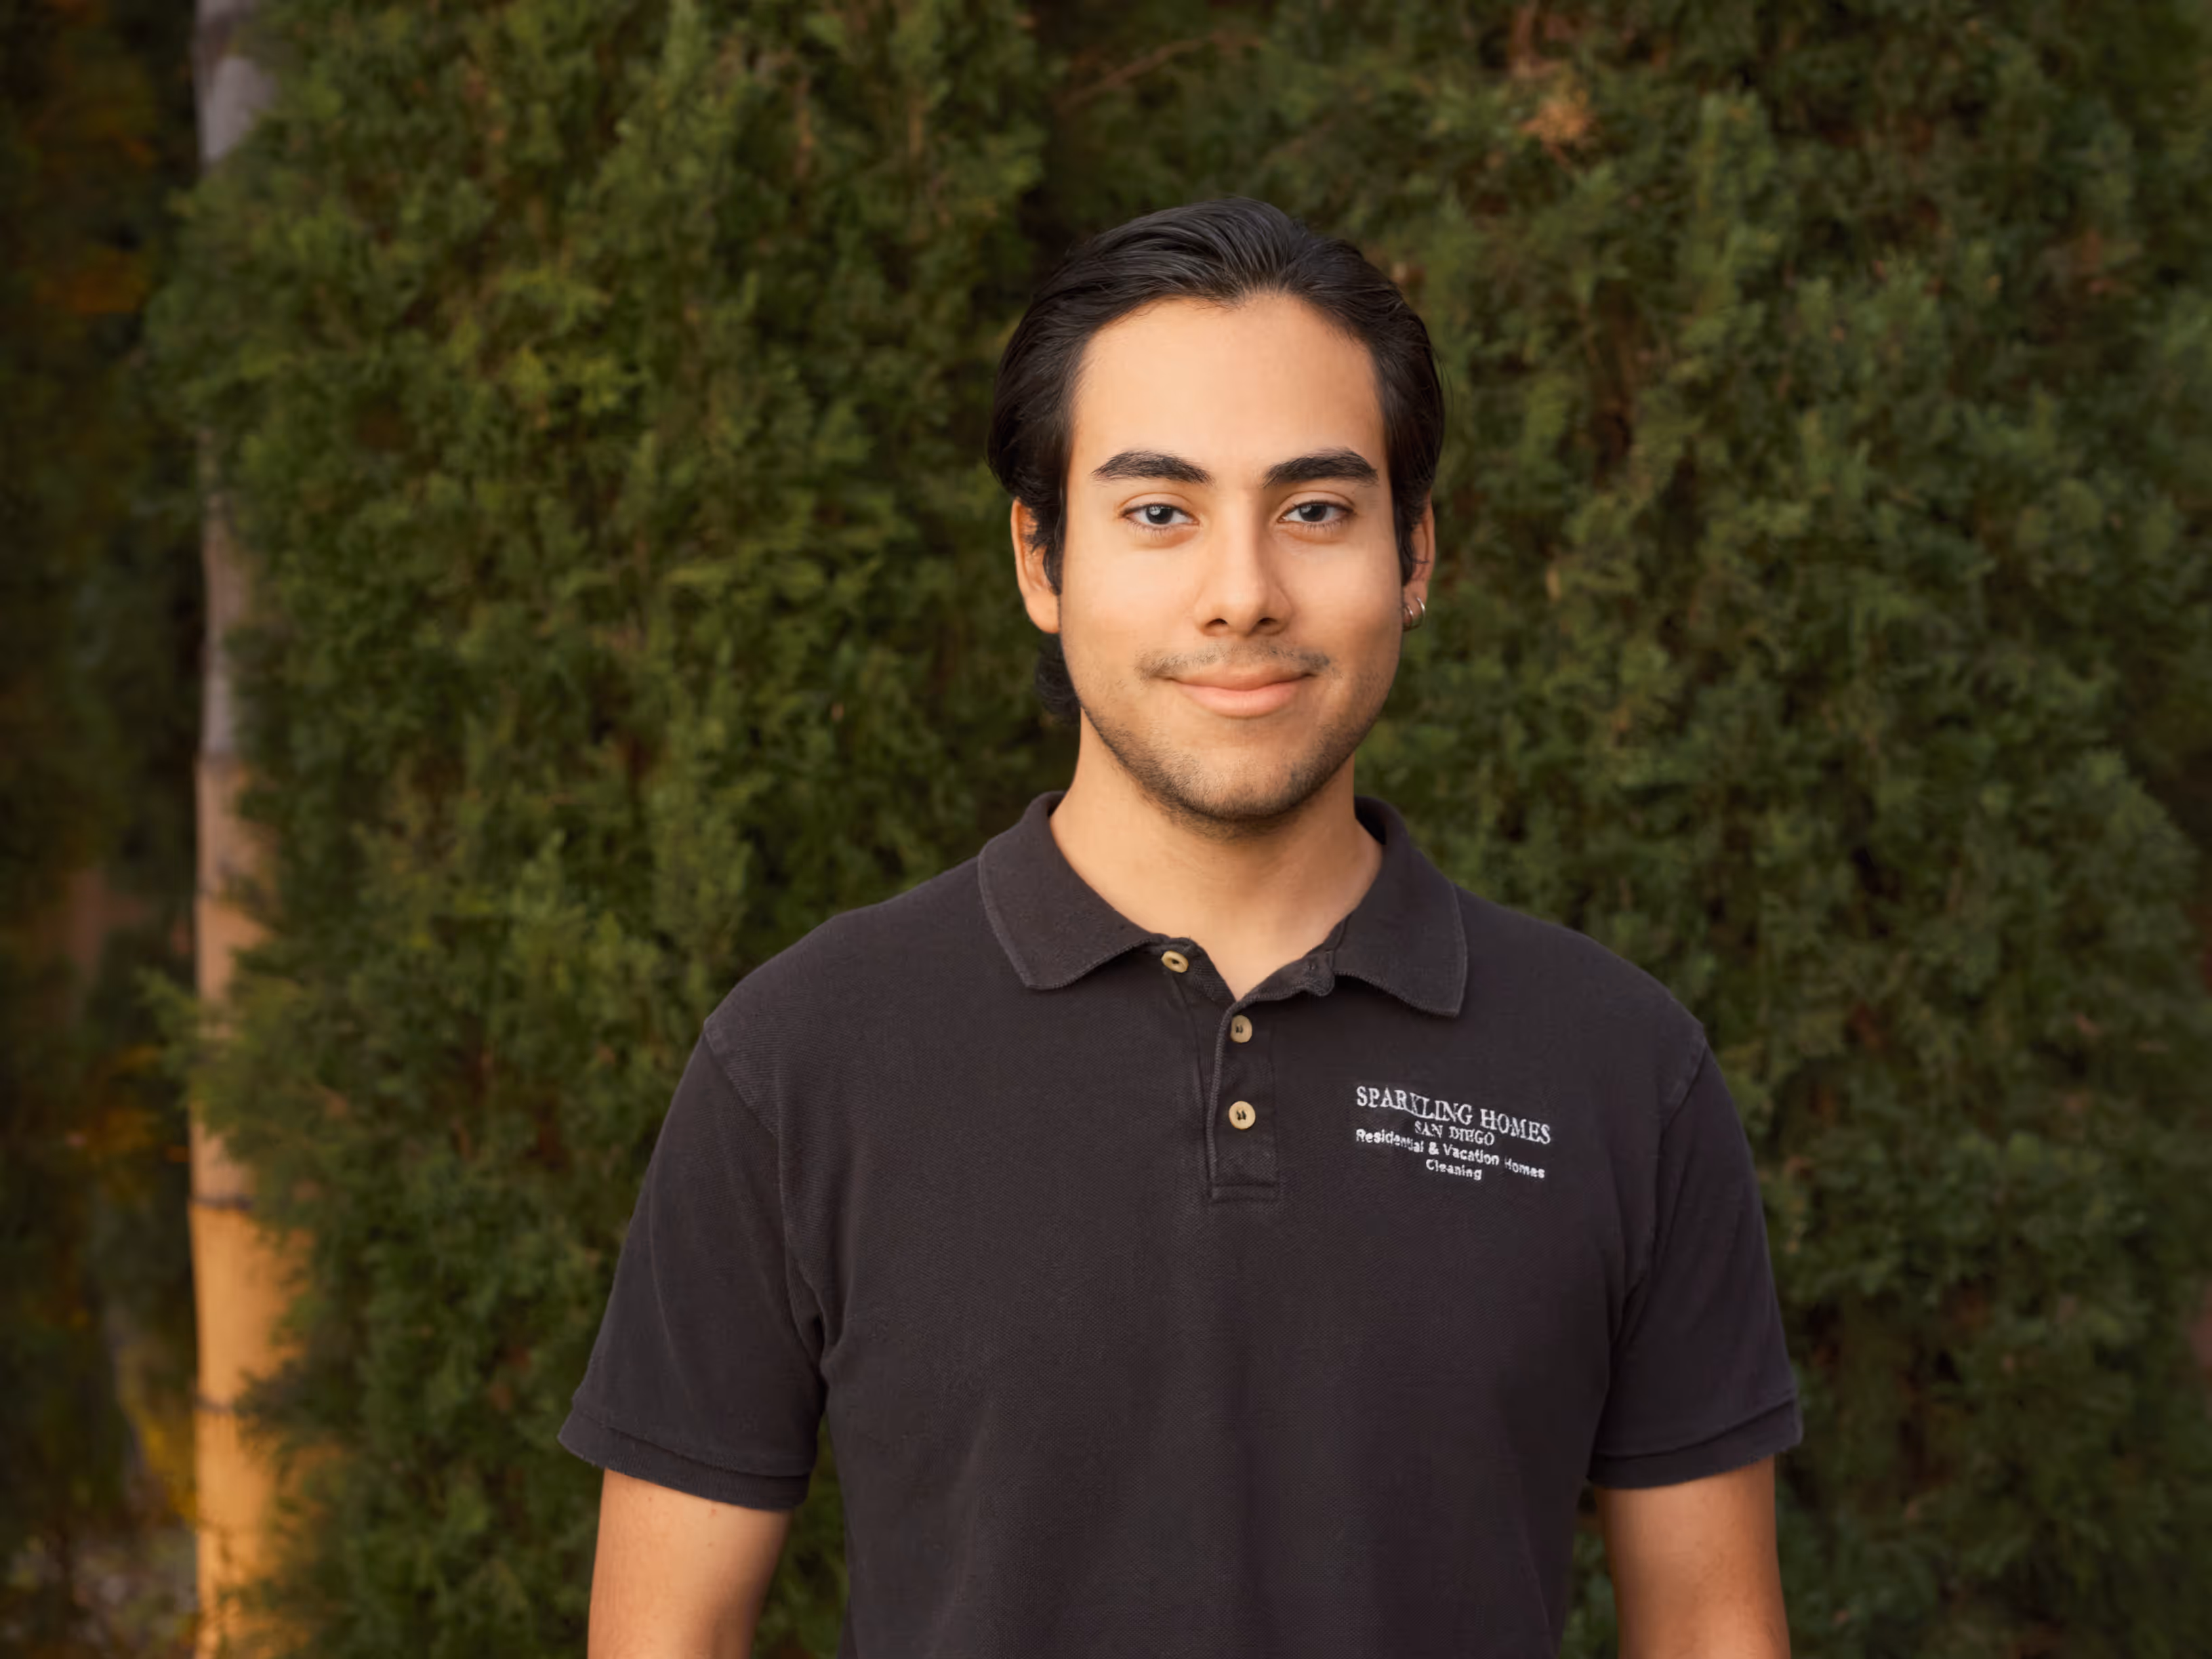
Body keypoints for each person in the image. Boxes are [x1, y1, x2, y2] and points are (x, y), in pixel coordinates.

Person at [560, 197, 1801, 1658]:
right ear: (1041, 560)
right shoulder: (799, 1061)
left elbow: (1714, 1628)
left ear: (1415, 559)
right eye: (1159, 512)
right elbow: (663, 1636)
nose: (1242, 594)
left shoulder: (1617, 1068)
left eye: (1316, 511)